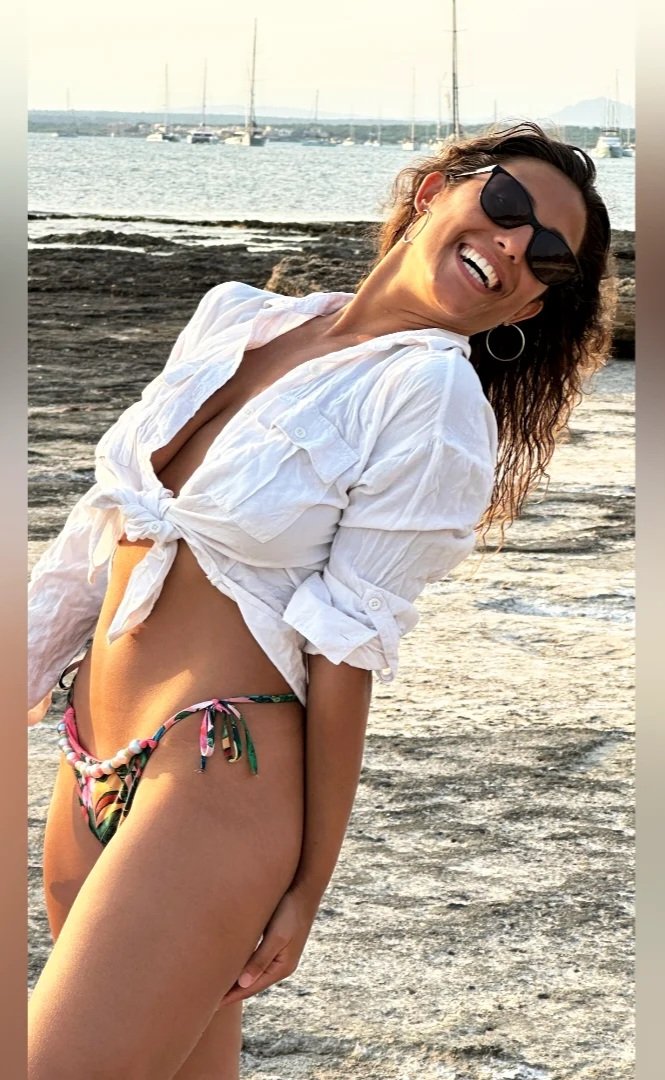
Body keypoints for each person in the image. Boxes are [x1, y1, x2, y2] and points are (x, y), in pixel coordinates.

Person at [27, 121, 612, 1078]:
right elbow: (104, 530)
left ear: (534, 300)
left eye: (545, 254)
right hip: (92, 756)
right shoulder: (238, 318)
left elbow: (349, 643)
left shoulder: (429, 395)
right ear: (435, 191)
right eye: (505, 205)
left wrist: (307, 885)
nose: (513, 243)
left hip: (217, 772)